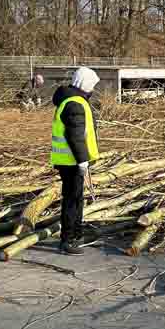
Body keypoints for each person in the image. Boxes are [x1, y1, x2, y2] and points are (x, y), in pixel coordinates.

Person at [50, 67, 101, 256]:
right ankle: (67, 240)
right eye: (92, 85)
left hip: (71, 161)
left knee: (77, 199)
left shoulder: (72, 100)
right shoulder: (74, 104)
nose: (93, 89)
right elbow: (75, 136)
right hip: (71, 162)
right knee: (72, 200)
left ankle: (77, 234)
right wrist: (82, 160)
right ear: (84, 83)